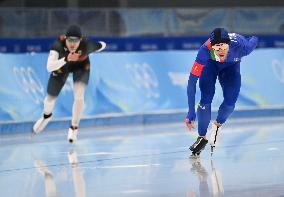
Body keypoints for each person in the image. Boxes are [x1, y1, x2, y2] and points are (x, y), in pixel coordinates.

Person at [185, 27, 258, 156]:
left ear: (229, 44)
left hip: (231, 68)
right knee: (206, 98)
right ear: (212, 47)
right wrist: (191, 111)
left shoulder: (242, 47)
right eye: (217, 47)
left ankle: (217, 125)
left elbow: (254, 39)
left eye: (223, 47)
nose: (220, 50)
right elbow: (191, 82)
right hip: (210, 65)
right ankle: (202, 137)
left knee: (230, 102)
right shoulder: (204, 51)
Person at [33, 25, 106, 143]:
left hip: (81, 68)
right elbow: (49, 67)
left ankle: (74, 128)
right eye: (70, 40)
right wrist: (66, 59)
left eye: (75, 41)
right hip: (62, 66)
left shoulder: (87, 45)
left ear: (80, 40)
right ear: (65, 39)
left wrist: (100, 46)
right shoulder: (58, 44)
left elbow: (102, 45)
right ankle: (46, 116)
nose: (72, 44)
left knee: (79, 96)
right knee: (49, 99)